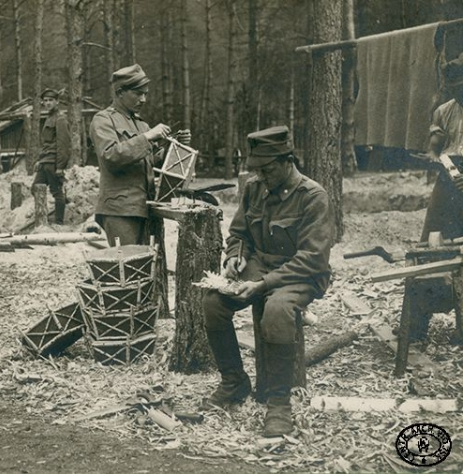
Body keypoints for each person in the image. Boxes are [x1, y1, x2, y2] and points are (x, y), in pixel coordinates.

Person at [201, 126, 333, 437]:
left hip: (300, 273)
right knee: (213, 303)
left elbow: (313, 257)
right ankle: (234, 381)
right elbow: (239, 233)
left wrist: (263, 284)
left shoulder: (313, 196)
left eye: (267, 168)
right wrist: (234, 257)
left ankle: (278, 403)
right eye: (256, 169)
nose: (260, 175)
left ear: (288, 160)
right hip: (260, 267)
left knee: (276, 311)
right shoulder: (254, 187)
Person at [89, 64, 190, 246]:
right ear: (120, 92)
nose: (143, 99)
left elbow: (152, 162)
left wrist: (175, 147)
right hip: (120, 210)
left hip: (146, 208)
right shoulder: (103, 119)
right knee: (128, 268)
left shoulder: (140, 124)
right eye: (138, 93)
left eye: (145, 93)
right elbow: (110, 156)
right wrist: (148, 137)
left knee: (150, 268)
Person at [421, 52, 463, 241]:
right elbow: (436, 142)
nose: (458, 94)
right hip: (451, 168)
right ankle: (435, 258)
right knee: (437, 218)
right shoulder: (444, 110)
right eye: (453, 90)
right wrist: (432, 153)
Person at [31, 88, 70, 225]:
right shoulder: (49, 118)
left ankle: (59, 223)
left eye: (51, 100)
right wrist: (39, 160)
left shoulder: (60, 119)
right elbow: (47, 144)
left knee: (57, 192)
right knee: (35, 188)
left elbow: (63, 144)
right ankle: (43, 219)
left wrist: (60, 166)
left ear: (57, 102)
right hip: (45, 161)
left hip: (53, 162)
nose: (47, 103)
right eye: (45, 100)